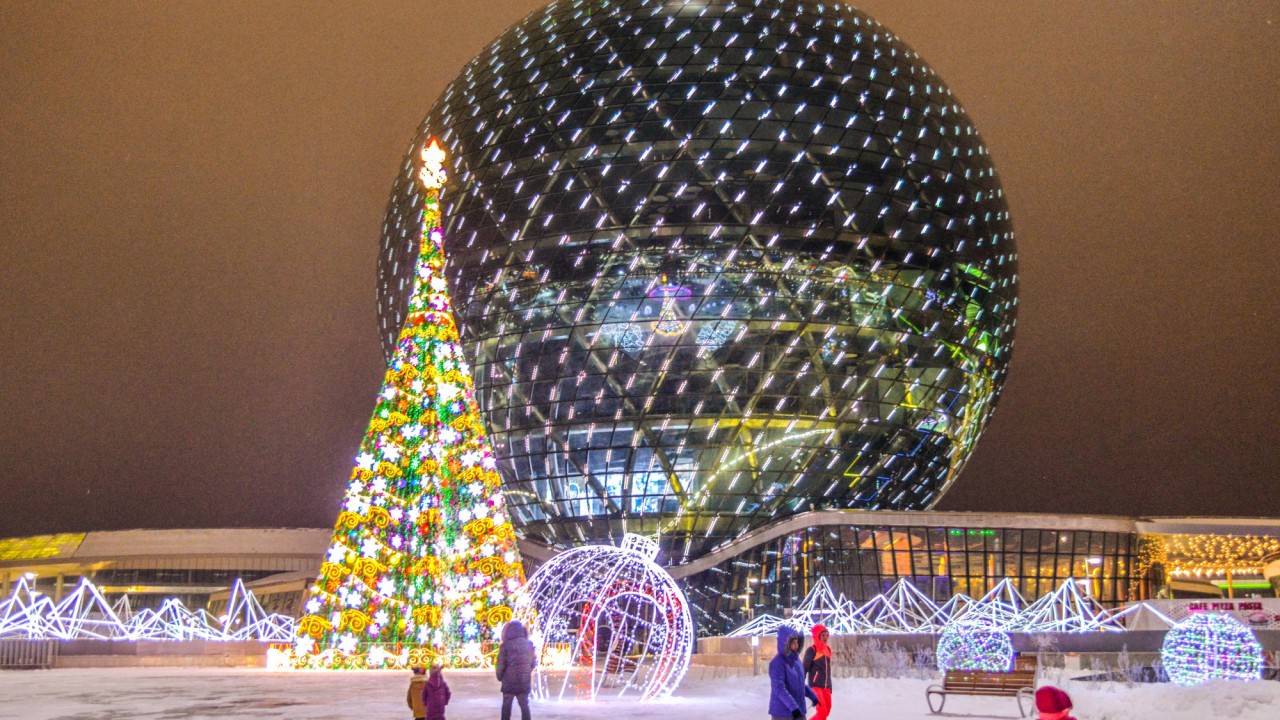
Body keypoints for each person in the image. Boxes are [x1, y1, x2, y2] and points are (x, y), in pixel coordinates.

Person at [769, 626, 818, 720]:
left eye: (797, 642)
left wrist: (812, 696)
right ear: (786, 643)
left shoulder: (796, 661)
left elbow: (799, 684)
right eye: (793, 642)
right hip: (782, 713)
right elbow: (779, 688)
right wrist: (793, 706)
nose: (796, 645)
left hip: (798, 711)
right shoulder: (777, 662)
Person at [495, 619, 536, 720]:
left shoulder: (505, 645)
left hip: (509, 681)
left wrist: (500, 676)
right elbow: (533, 662)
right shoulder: (529, 644)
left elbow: (501, 664)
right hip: (523, 680)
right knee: (524, 706)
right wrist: (526, 672)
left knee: (506, 707)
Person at [802, 624, 833, 720]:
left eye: (826, 635)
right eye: (823, 635)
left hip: (826, 687)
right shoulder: (812, 650)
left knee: (827, 710)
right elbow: (804, 667)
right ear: (817, 635)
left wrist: (830, 686)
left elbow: (828, 670)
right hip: (815, 686)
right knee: (822, 711)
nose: (825, 637)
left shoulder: (827, 649)